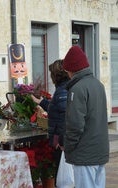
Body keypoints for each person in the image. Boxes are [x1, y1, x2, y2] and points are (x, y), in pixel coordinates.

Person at [62, 45, 109, 188]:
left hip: (84, 153)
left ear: (71, 69)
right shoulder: (98, 85)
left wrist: (68, 147)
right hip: (99, 150)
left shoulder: (77, 88)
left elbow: (75, 124)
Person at [31, 59, 69, 181]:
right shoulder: (63, 89)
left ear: (55, 75)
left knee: (64, 178)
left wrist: (61, 142)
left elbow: (65, 116)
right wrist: (41, 101)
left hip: (61, 142)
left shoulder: (63, 91)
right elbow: (57, 109)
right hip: (62, 140)